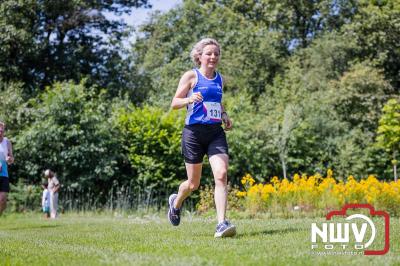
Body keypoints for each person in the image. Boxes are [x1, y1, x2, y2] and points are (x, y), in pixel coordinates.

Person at [168, 38, 236, 238]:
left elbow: (217, 102)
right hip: (194, 134)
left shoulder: (219, 78)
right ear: (199, 56)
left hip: (215, 132)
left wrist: (224, 115)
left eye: (216, 53)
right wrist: (189, 99)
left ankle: (221, 224)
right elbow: (174, 102)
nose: (213, 57)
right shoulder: (191, 76)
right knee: (192, 184)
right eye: (209, 53)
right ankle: (176, 202)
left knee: (221, 175)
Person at [0, 121, 14, 215]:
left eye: (2, 130)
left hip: (4, 174)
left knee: (3, 201)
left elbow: (11, 158)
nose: (0, 132)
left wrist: (9, 159)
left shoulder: (7, 142)